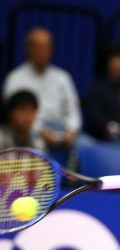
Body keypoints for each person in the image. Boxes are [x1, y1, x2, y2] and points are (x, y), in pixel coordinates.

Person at [2, 27, 82, 165]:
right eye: (38, 47)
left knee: (86, 145)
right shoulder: (14, 78)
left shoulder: (63, 77)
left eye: (47, 47)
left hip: (63, 132)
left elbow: (73, 110)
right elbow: (14, 116)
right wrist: (39, 130)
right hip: (33, 132)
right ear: (27, 49)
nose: (43, 52)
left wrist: (71, 130)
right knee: (34, 143)